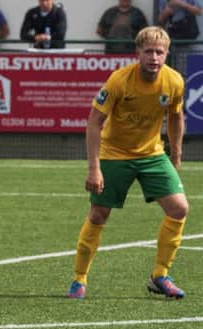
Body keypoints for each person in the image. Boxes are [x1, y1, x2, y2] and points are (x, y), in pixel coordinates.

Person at [67, 26, 189, 300]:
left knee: (179, 209)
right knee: (99, 215)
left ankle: (160, 275)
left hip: (152, 155)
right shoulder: (119, 81)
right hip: (114, 154)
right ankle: (79, 279)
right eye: (148, 51)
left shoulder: (175, 82)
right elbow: (94, 124)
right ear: (138, 53)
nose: (154, 57)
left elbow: (176, 116)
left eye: (159, 52)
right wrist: (94, 167)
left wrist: (176, 153)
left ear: (167, 53)